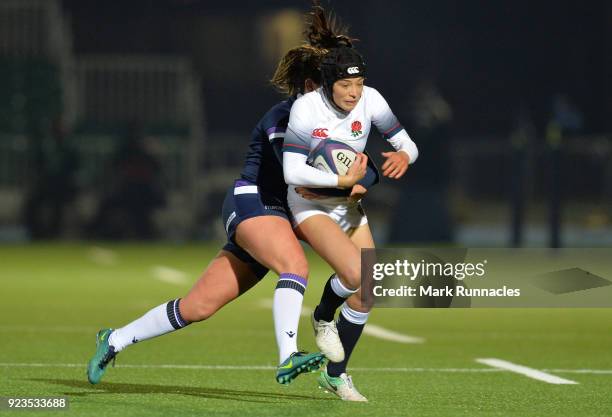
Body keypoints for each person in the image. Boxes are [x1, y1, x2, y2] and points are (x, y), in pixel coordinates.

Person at [87, 3, 379, 387]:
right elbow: (300, 178)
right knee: (296, 265)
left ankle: (116, 338)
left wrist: (362, 177)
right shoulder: (284, 118)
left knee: (198, 306)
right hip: (255, 202)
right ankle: (288, 356)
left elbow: (365, 170)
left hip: (292, 213)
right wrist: (345, 182)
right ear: (311, 87)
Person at [281, 38, 418, 401]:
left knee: (368, 289)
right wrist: (340, 182)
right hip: (309, 202)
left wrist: (405, 156)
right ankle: (323, 315)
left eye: (358, 84)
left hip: (347, 200)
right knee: (355, 273)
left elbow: (409, 144)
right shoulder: (306, 109)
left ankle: (335, 374)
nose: (354, 93)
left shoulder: (372, 99)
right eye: (345, 84)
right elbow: (293, 171)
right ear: (328, 83)